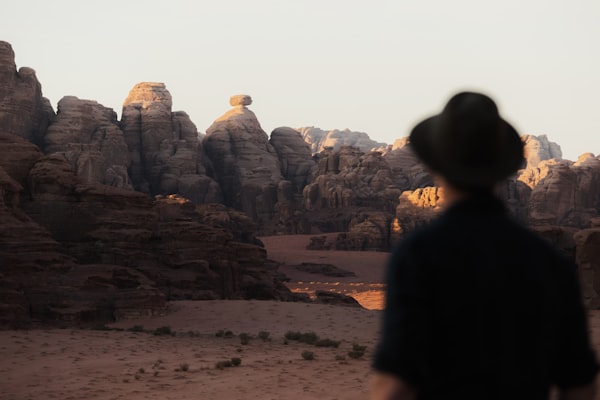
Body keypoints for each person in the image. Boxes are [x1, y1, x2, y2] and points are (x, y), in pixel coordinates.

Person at [371, 92, 598, 400]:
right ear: (504, 169)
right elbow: (580, 386)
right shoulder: (548, 261)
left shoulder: (417, 255)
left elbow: (395, 386)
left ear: (436, 166)